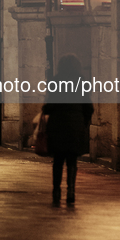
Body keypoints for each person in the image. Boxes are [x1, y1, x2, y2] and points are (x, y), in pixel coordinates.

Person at [42, 54, 93, 206]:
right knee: (72, 161)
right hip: (75, 127)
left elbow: (49, 105)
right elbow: (88, 107)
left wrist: (47, 109)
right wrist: (84, 122)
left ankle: (56, 191)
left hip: (57, 126)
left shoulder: (55, 81)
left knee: (57, 161)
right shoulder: (82, 81)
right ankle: (71, 191)